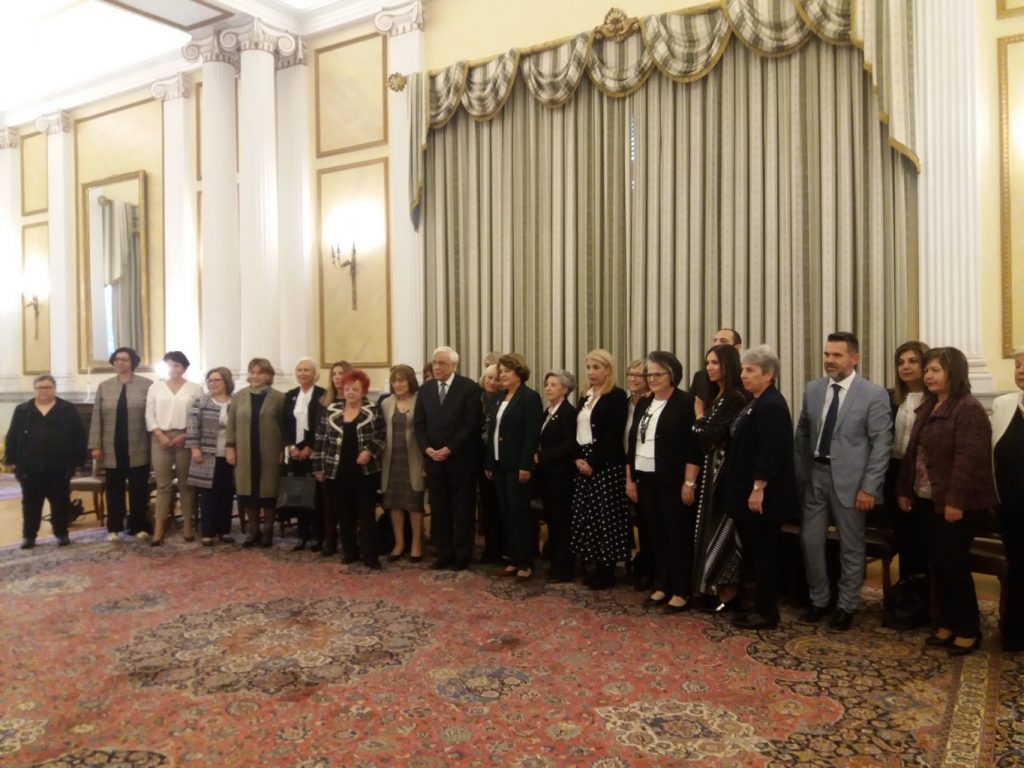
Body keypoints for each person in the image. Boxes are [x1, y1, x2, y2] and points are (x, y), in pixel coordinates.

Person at [898, 347, 998, 656]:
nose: (928, 375)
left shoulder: (968, 409)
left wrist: (955, 502)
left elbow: (969, 461)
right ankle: (945, 622)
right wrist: (904, 489)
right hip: (927, 499)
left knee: (953, 565)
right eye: (927, 370)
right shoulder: (928, 405)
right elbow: (912, 453)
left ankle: (967, 629)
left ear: (953, 373)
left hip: (956, 504)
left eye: (935, 370)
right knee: (937, 565)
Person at [794, 332, 892, 631]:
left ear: (854, 358)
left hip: (853, 483)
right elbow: (803, 433)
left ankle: (846, 606)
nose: (829, 360)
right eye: (827, 354)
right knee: (810, 541)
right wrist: (800, 473)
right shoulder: (813, 389)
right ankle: (819, 600)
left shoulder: (873, 394)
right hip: (816, 476)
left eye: (836, 355)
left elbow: (881, 445)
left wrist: (870, 487)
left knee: (851, 545)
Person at [721, 346, 798, 629]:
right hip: (746, 490)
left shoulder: (772, 405)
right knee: (754, 553)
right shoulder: (755, 401)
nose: (743, 375)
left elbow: (771, 451)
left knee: (764, 554)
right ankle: (758, 606)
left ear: (769, 374)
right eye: (743, 369)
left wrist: (758, 487)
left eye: (751, 370)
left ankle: (767, 612)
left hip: (765, 495)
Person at [625, 351, 700, 612]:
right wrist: (630, 479)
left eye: (658, 374)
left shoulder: (685, 402)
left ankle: (681, 590)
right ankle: (661, 584)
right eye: (650, 374)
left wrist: (689, 483)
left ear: (672, 375)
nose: (652, 378)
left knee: (676, 535)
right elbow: (632, 443)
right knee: (655, 535)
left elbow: (693, 448)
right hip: (645, 478)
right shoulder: (644, 402)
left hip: (672, 480)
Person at [414, 346, 483, 570]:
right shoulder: (425, 390)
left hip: (461, 460)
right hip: (434, 460)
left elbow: (470, 424)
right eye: (434, 362)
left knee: (462, 510)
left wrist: (450, 448)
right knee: (440, 509)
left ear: (454, 365)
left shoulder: (469, 388)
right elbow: (419, 424)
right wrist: (427, 449)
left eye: (441, 363)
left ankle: (462, 556)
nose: (436, 367)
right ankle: (443, 553)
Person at [691, 344, 749, 609]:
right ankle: (712, 590)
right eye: (707, 363)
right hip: (711, 472)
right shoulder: (720, 397)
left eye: (715, 363)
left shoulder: (734, 398)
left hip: (724, 475)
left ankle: (728, 594)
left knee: (723, 534)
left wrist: (698, 417)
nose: (709, 368)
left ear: (728, 365)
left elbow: (705, 437)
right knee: (709, 531)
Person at [312, 368, 386, 569]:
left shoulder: (373, 410)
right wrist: (318, 468)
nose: (350, 392)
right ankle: (349, 551)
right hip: (337, 471)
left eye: (355, 389)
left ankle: (369, 554)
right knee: (344, 514)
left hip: (365, 472)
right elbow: (320, 439)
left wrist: (369, 452)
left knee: (366, 514)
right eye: (347, 389)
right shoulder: (332, 410)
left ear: (363, 391)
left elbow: (381, 436)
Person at [572, 349, 631, 590]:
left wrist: (593, 462)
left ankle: (607, 569)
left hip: (605, 464)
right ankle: (595, 564)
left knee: (606, 517)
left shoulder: (616, 396)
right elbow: (576, 431)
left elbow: (612, 434)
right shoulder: (585, 396)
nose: (591, 372)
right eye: (588, 367)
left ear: (608, 370)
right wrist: (577, 458)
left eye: (596, 367)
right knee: (588, 516)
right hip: (583, 460)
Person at [4, 375, 86, 549]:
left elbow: (79, 435)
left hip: (59, 465)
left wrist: (78, 461)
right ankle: (29, 536)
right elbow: (12, 435)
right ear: (34, 390)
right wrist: (10, 459)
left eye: (48, 387)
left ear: (54, 389)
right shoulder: (22, 410)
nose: (44, 391)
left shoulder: (67, 409)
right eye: (40, 388)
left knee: (60, 502)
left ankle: (61, 533)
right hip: (30, 466)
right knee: (31, 503)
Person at [486, 353, 544, 580]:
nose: (502, 375)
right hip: (499, 464)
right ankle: (513, 556)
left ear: (519, 372)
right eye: (500, 371)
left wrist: (526, 465)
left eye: (507, 371)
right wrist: (489, 462)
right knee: (506, 512)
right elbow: (493, 431)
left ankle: (525, 561)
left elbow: (531, 434)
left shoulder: (529, 397)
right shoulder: (500, 397)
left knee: (520, 513)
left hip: (517, 465)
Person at [89, 346, 153, 542]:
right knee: (114, 488)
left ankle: (138, 526)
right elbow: (96, 417)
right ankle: (114, 528)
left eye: (124, 359)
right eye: (117, 359)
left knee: (138, 489)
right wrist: (95, 445)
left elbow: (152, 416)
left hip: (138, 445)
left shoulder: (147, 385)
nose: (120, 363)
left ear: (132, 362)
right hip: (111, 447)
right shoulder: (104, 386)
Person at [883, 341, 930, 581]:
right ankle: (907, 587)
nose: (906, 367)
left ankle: (924, 588)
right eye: (901, 362)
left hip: (923, 473)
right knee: (903, 533)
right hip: (895, 470)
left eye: (913, 361)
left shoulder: (937, 398)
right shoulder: (890, 397)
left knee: (923, 534)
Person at [226, 358, 285, 548]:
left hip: (269, 452)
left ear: (269, 375)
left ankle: (268, 530)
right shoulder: (238, 397)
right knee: (248, 492)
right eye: (252, 372)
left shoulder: (279, 398)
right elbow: (231, 424)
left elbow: (285, 427)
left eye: (260, 373)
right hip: (245, 452)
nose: (255, 376)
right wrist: (230, 447)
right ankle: (253, 531)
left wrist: (283, 449)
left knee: (268, 492)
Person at [145, 351, 203, 545]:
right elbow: (149, 415)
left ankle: (187, 524)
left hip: (185, 437)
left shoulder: (195, 389)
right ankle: (159, 528)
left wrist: (185, 435)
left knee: (186, 484)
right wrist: (160, 435)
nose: (173, 369)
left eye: (177, 365)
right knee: (163, 485)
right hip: (160, 438)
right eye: (170, 365)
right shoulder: (155, 388)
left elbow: (198, 416)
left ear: (184, 368)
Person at [992, 349, 1024, 653]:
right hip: (1011, 506)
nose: (1021, 370)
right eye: (1018, 365)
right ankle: (1014, 631)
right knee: (1017, 566)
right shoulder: (1003, 405)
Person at [535, 369, 578, 582]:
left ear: (565, 389)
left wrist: (542, 456)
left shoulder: (568, 413)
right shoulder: (549, 411)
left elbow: (569, 445)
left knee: (561, 522)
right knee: (552, 519)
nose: (548, 388)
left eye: (553, 385)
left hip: (561, 476)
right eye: (547, 384)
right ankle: (554, 563)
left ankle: (564, 569)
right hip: (547, 475)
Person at [380, 364, 425, 562]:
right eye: (394, 381)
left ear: (410, 382)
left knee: (414, 503)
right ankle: (399, 543)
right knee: (394, 502)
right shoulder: (386, 403)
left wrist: (426, 462)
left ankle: (416, 543)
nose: (397, 384)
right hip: (391, 460)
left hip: (414, 459)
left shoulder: (420, 400)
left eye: (401, 380)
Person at [186, 367, 236, 546]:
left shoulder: (235, 402)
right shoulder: (201, 401)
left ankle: (224, 531)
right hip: (206, 454)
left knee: (226, 493)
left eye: (216, 380)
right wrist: (194, 448)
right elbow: (192, 426)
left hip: (230, 455)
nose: (212, 383)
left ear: (226, 382)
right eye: (210, 380)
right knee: (208, 495)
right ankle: (207, 532)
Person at [282, 358, 326, 551]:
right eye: (299, 370)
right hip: (295, 452)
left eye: (306, 370)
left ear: (314, 373)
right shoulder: (291, 395)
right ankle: (302, 534)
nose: (302, 373)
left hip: (314, 451)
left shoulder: (323, 394)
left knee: (317, 496)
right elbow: (284, 423)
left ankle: (318, 535)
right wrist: (291, 446)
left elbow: (321, 423)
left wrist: (310, 446)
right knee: (299, 494)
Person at [624, 359, 653, 590]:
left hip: (643, 468)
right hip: (623, 467)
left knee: (647, 522)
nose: (633, 379)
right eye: (630, 374)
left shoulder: (651, 402)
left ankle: (647, 566)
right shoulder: (626, 403)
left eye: (638, 375)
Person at [478, 364, 504, 563]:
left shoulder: (504, 399)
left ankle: (501, 548)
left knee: (498, 505)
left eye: (496, 379)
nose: (492, 382)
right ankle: (489, 548)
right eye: (489, 378)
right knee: (486, 505)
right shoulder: (476, 398)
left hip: (497, 458)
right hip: (477, 456)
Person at [691, 329, 743, 412]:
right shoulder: (701, 376)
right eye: (715, 340)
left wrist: (699, 414)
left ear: (737, 347)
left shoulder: (744, 376)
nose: (716, 344)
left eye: (723, 341)